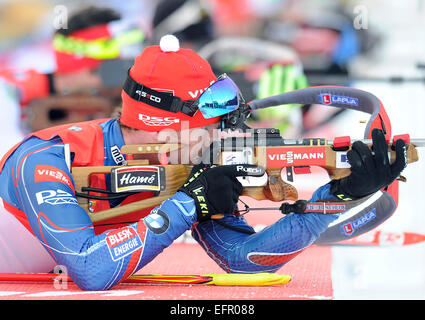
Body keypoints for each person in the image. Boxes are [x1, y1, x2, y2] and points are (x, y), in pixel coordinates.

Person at [0, 35, 407, 290]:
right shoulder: (44, 158)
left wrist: (335, 196)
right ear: (158, 123)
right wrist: (188, 205)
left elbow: (246, 261)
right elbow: (91, 270)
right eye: (205, 126)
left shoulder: (187, 163)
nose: (215, 137)